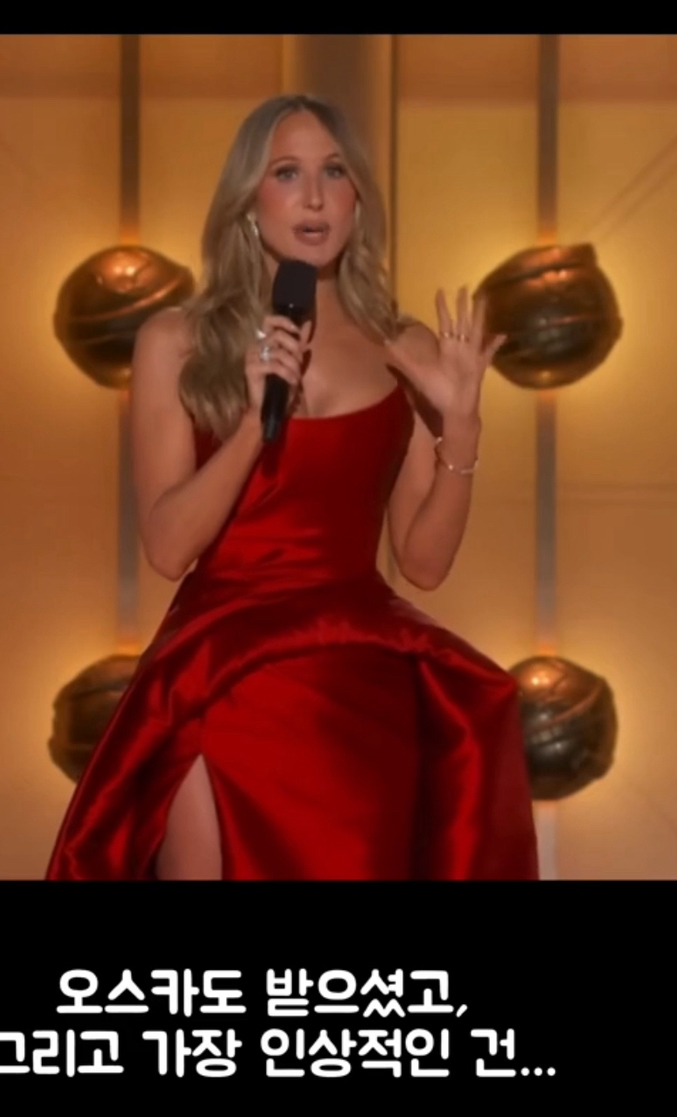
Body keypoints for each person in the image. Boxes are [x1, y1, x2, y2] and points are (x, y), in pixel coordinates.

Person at [46, 93, 538, 881]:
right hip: (219, 672)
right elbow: (168, 548)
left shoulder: (403, 345)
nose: (313, 197)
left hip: (358, 682)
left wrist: (463, 428)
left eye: (334, 173)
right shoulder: (177, 341)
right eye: (286, 173)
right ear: (247, 201)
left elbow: (423, 560)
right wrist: (253, 418)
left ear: (357, 199)